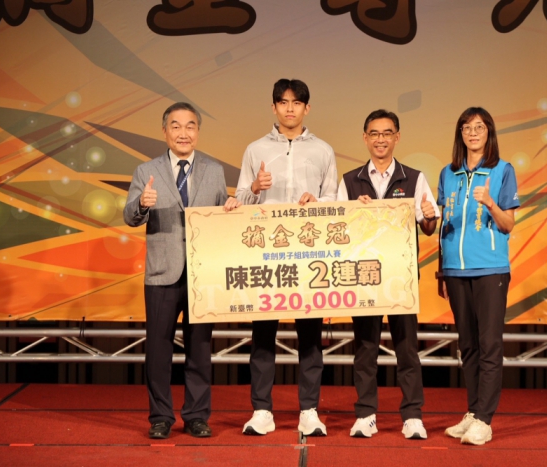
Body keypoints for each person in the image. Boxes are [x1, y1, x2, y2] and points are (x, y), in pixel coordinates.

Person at [123, 102, 241, 439]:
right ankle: (160, 417)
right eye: (176, 126)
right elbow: (129, 216)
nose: (183, 133)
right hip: (162, 273)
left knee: (199, 349)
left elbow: (220, 219)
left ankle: (196, 416)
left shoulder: (214, 171)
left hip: (203, 275)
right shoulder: (146, 170)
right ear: (165, 131)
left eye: (190, 126)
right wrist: (141, 204)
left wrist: (231, 209)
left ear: (198, 132)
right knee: (158, 350)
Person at [235, 79, 338, 437]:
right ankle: (262, 410)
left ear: (307, 108)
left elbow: (334, 199)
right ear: (274, 107)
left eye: (296, 103)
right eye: (283, 102)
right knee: (263, 334)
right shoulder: (255, 149)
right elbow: (239, 201)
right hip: (267, 255)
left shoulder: (323, 150)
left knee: (310, 335)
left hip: (308, 254)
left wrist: (318, 202)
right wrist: (254, 189)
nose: (289, 108)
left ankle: (309, 410)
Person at [337, 109, 439, 439]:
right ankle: (365, 414)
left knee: (407, 349)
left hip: (401, 278)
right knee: (365, 348)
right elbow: (338, 230)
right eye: (374, 133)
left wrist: (428, 215)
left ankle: (412, 415)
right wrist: (356, 213)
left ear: (397, 137)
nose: (380, 139)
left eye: (387, 133)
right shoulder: (350, 181)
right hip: (363, 276)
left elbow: (428, 226)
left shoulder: (414, 178)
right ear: (365, 138)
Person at [438, 107, 519, 445]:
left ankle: (485, 419)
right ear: (460, 133)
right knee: (468, 345)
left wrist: (490, 204)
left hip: (490, 269)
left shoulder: (502, 170)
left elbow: (508, 224)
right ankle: (473, 412)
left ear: (489, 133)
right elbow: (443, 224)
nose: (473, 133)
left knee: (489, 345)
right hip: (455, 270)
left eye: (479, 127)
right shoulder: (448, 173)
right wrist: (441, 271)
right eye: (467, 127)